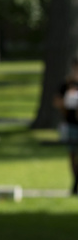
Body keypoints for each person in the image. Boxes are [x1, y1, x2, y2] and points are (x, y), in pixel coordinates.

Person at [53, 57, 78, 195]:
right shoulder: (67, 84)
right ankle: (75, 183)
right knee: (72, 155)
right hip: (71, 124)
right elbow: (56, 101)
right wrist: (66, 102)